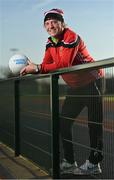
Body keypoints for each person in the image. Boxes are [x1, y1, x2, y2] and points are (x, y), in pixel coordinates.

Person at [20, 8, 104, 175]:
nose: (51, 26)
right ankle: (70, 161)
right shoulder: (50, 42)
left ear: (62, 23)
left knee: (94, 124)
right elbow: (46, 65)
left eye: (54, 22)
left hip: (92, 82)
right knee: (63, 122)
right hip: (75, 87)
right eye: (47, 23)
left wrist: (36, 68)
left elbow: (64, 64)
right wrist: (35, 66)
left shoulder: (71, 36)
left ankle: (94, 163)